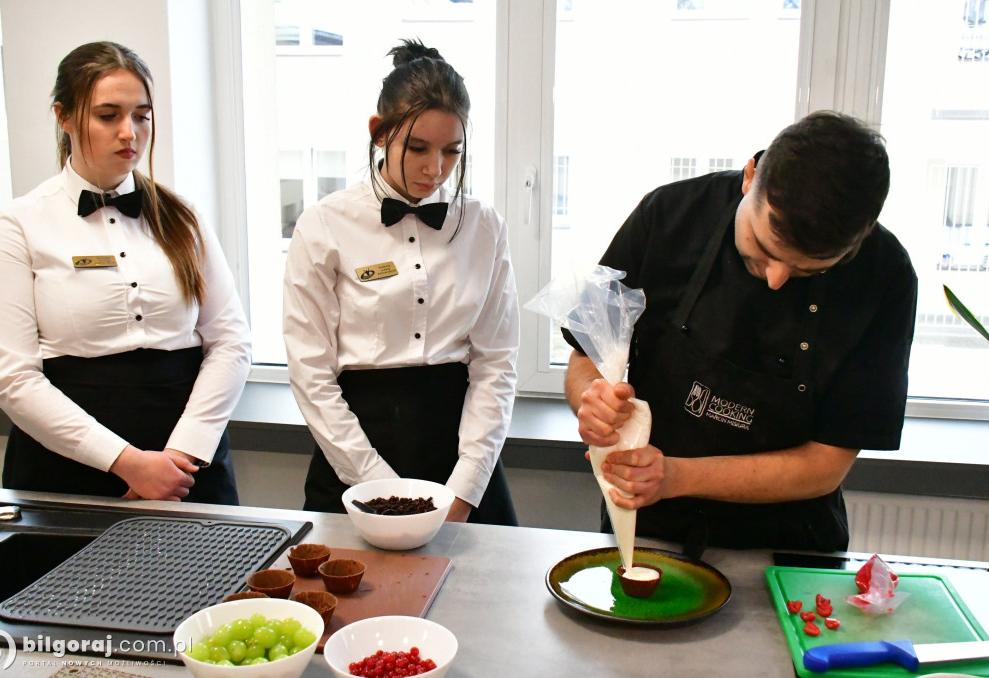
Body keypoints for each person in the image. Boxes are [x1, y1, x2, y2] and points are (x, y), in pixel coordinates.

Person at [564, 111, 917, 553]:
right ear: (751, 176)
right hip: (650, 526)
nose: (776, 279)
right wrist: (593, 401)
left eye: (810, 270)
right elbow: (585, 357)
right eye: (764, 249)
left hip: (788, 546)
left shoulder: (885, 277)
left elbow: (826, 464)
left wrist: (676, 476)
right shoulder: (669, 215)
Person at [0, 41, 251, 504]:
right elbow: (14, 378)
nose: (130, 133)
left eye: (142, 116)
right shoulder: (18, 224)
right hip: (69, 460)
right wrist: (128, 463)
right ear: (64, 117)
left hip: (187, 465)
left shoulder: (183, 217)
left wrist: (180, 455)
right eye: (108, 116)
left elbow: (230, 341)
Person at [283, 39, 519, 525]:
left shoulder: (484, 227)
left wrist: (467, 484)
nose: (436, 169)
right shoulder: (324, 224)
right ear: (379, 133)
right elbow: (310, 372)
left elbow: (496, 362)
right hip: (355, 449)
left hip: (459, 449)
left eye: (452, 151)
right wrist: (376, 486)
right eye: (417, 148)